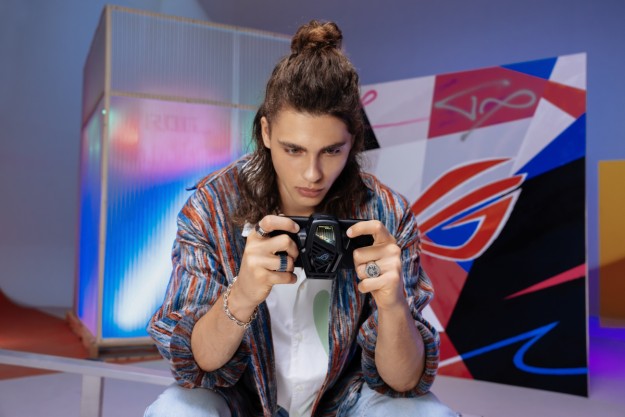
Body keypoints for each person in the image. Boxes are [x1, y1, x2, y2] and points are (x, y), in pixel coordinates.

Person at [145, 20, 457, 417]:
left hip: (342, 402)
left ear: (353, 142)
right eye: (294, 150)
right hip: (241, 401)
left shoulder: (386, 214)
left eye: (331, 151)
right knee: (176, 412)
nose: (312, 174)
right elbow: (197, 365)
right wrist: (242, 295)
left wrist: (393, 305)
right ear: (266, 132)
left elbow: (404, 382)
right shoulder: (213, 206)